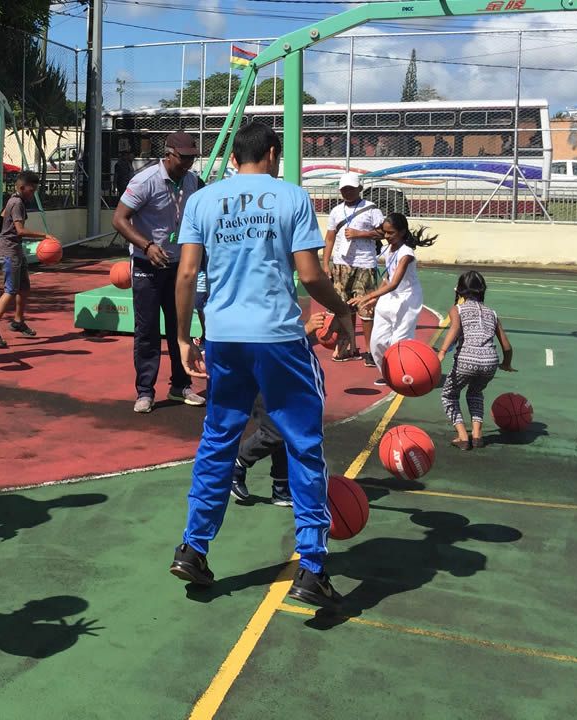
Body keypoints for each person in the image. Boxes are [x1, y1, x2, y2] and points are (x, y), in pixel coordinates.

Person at [167, 121, 355, 610]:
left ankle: (194, 546)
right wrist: (343, 310)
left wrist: (184, 338)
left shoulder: (204, 201)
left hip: (226, 337)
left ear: (233, 159)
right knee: (304, 443)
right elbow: (311, 275)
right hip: (278, 339)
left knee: (218, 439)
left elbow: (187, 273)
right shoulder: (291, 198)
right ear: (273, 153)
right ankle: (312, 567)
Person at [111, 131, 206, 414]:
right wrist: (146, 245)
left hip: (179, 265)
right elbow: (119, 219)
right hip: (147, 264)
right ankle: (145, 391)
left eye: (192, 157)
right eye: (184, 157)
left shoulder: (193, 182)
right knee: (147, 329)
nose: (188, 163)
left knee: (180, 327)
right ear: (169, 154)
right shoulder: (145, 181)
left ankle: (181, 384)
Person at [230, 312, 335, 506]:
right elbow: (271, 338)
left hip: (281, 372)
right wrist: (305, 329)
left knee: (287, 431)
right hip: (258, 371)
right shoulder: (255, 304)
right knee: (275, 431)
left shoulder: (279, 301)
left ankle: (281, 487)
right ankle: (237, 463)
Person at [350, 212, 436, 386]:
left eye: (391, 233)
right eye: (385, 233)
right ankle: (389, 374)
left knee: (399, 342)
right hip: (389, 297)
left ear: (402, 232)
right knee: (377, 342)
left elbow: (395, 283)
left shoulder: (406, 253)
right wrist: (375, 299)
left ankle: (403, 375)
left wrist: (368, 295)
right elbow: (387, 279)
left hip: (407, 299)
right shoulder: (388, 249)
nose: (387, 237)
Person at [436, 271, 516, 450]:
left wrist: (441, 352)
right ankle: (478, 435)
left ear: (460, 291)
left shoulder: (457, 309)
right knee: (475, 393)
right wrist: (506, 363)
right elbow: (507, 346)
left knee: (449, 395)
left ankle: (463, 436)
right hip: (490, 361)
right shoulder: (492, 313)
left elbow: (455, 329)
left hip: (467, 359)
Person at [0, 171, 51, 348]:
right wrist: (44, 235)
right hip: (9, 251)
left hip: (15, 249)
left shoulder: (13, 200)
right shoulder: (17, 202)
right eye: (32, 190)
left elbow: (1, 223)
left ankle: (18, 321)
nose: (33, 193)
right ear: (22, 187)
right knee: (11, 290)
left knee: (24, 288)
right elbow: (20, 230)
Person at [323, 172, 382, 364]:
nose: (347, 192)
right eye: (344, 189)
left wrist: (360, 233)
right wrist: (326, 263)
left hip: (364, 264)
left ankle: (370, 352)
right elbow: (330, 237)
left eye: (351, 188)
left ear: (360, 189)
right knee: (343, 308)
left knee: (366, 310)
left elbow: (382, 233)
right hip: (341, 265)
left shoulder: (371, 209)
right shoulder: (336, 211)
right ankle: (348, 347)